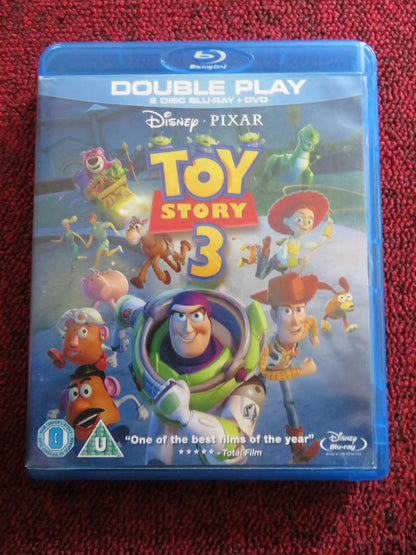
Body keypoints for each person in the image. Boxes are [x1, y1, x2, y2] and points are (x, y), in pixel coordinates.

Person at [113, 290, 268, 465]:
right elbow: (124, 306)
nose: (187, 329)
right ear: (169, 319)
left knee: (228, 456)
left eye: (196, 316)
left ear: (208, 320)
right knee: (156, 464)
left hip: (215, 406)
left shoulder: (245, 384)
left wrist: (185, 416)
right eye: (179, 316)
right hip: (163, 405)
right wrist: (118, 335)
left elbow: (232, 439)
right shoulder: (149, 334)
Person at [252, 272, 326, 464]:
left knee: (289, 402)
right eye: (287, 311)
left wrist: (314, 336)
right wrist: (299, 371)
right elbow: (267, 372)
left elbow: (311, 322)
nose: (296, 321)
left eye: (299, 309)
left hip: (285, 368)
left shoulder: (300, 328)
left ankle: (298, 450)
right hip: (269, 371)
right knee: (253, 397)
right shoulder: (268, 350)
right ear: (274, 315)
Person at [256, 191, 333, 278]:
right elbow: (283, 260)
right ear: (286, 221)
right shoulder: (286, 244)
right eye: (299, 219)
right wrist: (298, 261)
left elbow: (318, 242)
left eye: (309, 221)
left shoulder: (300, 244)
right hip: (276, 264)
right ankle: (264, 252)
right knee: (260, 276)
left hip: (286, 268)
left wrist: (328, 226)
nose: (305, 224)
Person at [51, 216, 88, 281]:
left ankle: (72, 276)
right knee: (75, 258)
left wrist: (85, 243)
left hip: (74, 247)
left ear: (69, 225)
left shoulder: (72, 232)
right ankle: (85, 258)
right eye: (65, 225)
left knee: (72, 262)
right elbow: (60, 240)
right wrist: (54, 241)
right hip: (70, 249)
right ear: (64, 226)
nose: (66, 226)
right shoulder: (64, 234)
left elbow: (79, 237)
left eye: (67, 224)